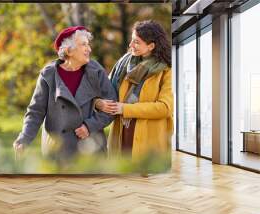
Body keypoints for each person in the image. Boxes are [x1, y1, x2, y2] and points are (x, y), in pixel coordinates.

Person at [13, 26, 117, 160]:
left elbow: (112, 106)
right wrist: (24, 138)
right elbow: (35, 112)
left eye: (88, 44)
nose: (89, 49)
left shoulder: (96, 71)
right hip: (58, 151)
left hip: (91, 149)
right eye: (83, 45)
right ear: (69, 51)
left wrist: (89, 126)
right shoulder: (48, 75)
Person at [95, 20, 173, 169]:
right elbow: (104, 92)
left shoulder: (166, 71)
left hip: (149, 140)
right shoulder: (124, 65)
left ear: (151, 46)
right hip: (121, 135)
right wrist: (98, 103)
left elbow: (165, 108)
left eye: (136, 42)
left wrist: (125, 109)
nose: (130, 45)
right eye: (132, 40)